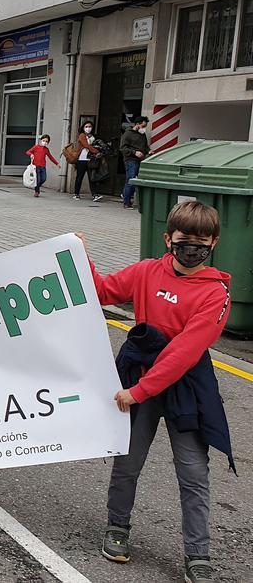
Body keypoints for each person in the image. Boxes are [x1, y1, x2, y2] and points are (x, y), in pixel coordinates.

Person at [83, 201, 232, 583]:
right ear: (168, 239)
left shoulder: (216, 294)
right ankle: (117, 528)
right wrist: (80, 254)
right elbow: (102, 292)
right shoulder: (147, 271)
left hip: (185, 385)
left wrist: (139, 392)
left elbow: (185, 352)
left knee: (193, 472)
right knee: (128, 461)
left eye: (201, 242)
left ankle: (197, 553)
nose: (192, 249)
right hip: (141, 375)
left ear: (213, 242)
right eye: (184, 241)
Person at [120, 115, 150, 210]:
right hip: (130, 160)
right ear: (137, 124)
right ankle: (127, 202)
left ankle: (125, 195)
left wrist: (148, 151)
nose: (144, 128)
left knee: (134, 180)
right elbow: (123, 148)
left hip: (140, 160)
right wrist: (134, 152)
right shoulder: (127, 134)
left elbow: (145, 146)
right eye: (143, 126)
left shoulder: (142, 135)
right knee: (131, 180)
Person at [73, 121, 102, 202]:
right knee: (79, 177)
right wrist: (96, 151)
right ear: (83, 127)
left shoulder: (93, 136)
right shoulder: (82, 135)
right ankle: (76, 193)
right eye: (86, 126)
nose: (88, 128)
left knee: (92, 178)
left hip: (90, 159)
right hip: (81, 159)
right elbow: (86, 145)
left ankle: (94, 194)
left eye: (90, 126)